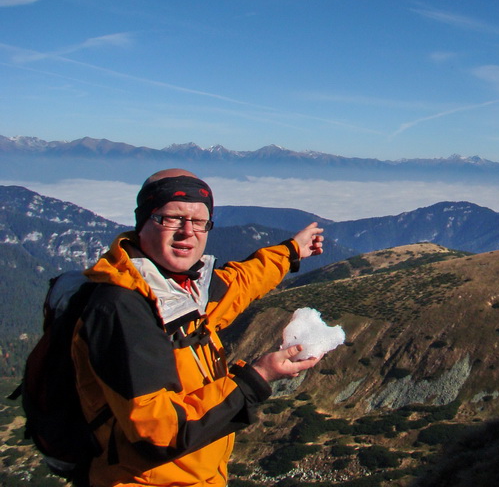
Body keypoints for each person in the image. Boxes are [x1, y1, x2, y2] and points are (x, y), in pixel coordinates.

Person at [70, 169, 325, 487]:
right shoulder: (122, 309)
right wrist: (256, 378)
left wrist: (290, 252)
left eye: (199, 222)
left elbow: (239, 284)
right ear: (144, 221)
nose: (187, 232)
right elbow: (158, 433)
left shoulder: (178, 287)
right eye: (172, 218)